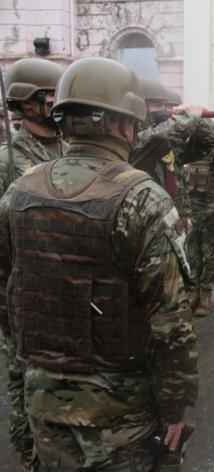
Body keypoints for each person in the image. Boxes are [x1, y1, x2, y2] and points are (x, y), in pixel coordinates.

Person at [0, 57, 198, 471]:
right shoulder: (142, 198)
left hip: (44, 404)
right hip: (119, 413)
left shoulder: (19, 191)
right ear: (124, 125)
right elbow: (172, 324)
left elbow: (8, 295)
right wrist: (175, 408)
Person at [0, 57, 65, 470]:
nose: (59, 106)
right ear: (26, 103)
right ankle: (29, 458)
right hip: (21, 293)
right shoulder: (8, 160)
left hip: (64, 288)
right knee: (23, 381)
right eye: (51, 97)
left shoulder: (69, 148)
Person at [131, 76, 214, 197]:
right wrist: (189, 116)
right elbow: (159, 137)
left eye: (164, 105)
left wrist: (202, 119)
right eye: (157, 105)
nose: (163, 110)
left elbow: (207, 143)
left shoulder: (169, 141)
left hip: (173, 212)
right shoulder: (132, 138)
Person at [178, 141, 214, 316]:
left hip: (211, 210)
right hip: (191, 210)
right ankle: (193, 291)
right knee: (192, 253)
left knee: (210, 254)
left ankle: (206, 294)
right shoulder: (186, 147)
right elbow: (180, 180)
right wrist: (182, 210)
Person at [0, 58, 65, 196]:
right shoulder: (6, 160)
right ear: (26, 103)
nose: (61, 103)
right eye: (54, 95)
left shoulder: (71, 150)